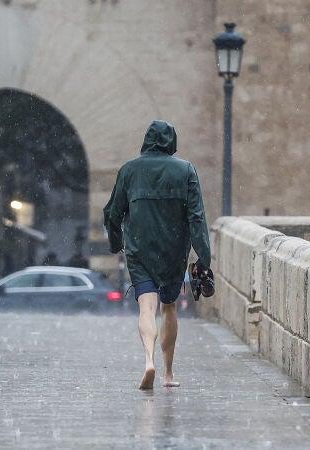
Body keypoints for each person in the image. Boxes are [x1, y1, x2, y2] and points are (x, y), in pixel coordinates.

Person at [104, 120, 212, 390]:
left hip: (140, 249)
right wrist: (204, 257)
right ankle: (167, 374)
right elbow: (196, 217)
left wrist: (116, 242)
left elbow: (112, 213)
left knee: (146, 307)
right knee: (169, 307)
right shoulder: (185, 170)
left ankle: (148, 361)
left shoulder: (129, 170)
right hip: (174, 251)